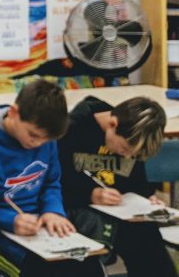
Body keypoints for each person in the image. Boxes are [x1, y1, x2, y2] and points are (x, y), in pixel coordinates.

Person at [0, 79, 104, 276]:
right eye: (33, 135)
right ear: (14, 113)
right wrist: (8, 219)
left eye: (47, 140)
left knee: (87, 265)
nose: (39, 144)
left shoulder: (45, 138)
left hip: (39, 228)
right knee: (39, 270)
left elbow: (51, 181)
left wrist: (53, 210)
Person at [56, 94, 175, 276]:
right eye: (124, 150)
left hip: (118, 211)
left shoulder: (132, 137)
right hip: (75, 209)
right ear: (112, 124)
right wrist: (90, 195)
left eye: (132, 155)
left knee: (152, 253)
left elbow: (136, 184)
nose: (127, 157)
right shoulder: (70, 131)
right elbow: (52, 187)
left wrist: (147, 199)